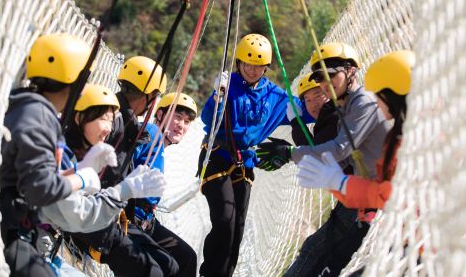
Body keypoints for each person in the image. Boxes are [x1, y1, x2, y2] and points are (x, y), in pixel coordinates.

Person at [256, 43, 391, 276]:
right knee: (316, 254)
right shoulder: (346, 107)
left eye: (330, 76)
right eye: (319, 78)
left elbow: (338, 150)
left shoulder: (363, 103)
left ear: (351, 71)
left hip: (373, 202)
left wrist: (290, 153)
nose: (324, 84)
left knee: (316, 255)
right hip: (360, 199)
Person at [0, 33, 116, 276]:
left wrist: (78, 170)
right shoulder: (39, 118)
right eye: (84, 81)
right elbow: (40, 188)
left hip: (13, 225)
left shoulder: (29, 107)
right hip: (4, 231)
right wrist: (81, 178)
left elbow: (36, 174)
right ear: (72, 79)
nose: (83, 92)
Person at [197, 33, 310, 277]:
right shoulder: (228, 87)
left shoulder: (275, 97)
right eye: (247, 64)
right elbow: (208, 119)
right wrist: (217, 96)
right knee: (225, 221)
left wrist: (320, 103)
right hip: (216, 156)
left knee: (237, 228)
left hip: (244, 163)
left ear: (266, 67)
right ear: (239, 62)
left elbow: (308, 111)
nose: (251, 70)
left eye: (258, 66)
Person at [69, 56, 180, 277]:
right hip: (90, 218)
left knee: (169, 267)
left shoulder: (120, 118)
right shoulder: (118, 124)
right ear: (150, 96)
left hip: (102, 212)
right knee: (153, 272)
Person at [296, 50, 414, 212]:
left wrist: (341, 183)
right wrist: (337, 182)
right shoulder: (401, 135)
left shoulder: (410, 140)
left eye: (378, 95)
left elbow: (387, 196)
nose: (375, 102)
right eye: (319, 78)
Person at [127, 92, 199, 277]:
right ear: (160, 115)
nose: (181, 125)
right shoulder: (150, 133)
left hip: (146, 221)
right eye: (177, 117)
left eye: (186, 121)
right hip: (130, 217)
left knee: (187, 258)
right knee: (169, 266)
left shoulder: (158, 144)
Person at [291, 73, 333, 146]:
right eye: (308, 100)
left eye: (317, 96)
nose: (313, 104)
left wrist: (296, 123)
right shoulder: (322, 125)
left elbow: (314, 154)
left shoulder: (336, 120)